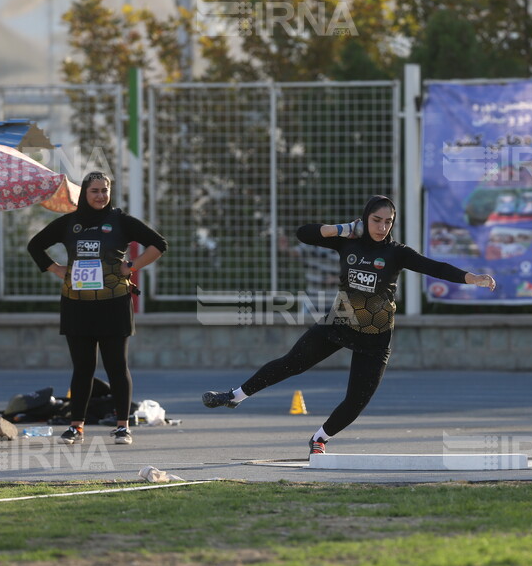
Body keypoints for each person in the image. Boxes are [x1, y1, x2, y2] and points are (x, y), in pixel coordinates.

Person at [201, 195, 496, 456]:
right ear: (365, 218)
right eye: (376, 220)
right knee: (292, 363)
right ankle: (234, 396)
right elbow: (304, 234)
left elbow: (436, 267)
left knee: (356, 400)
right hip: (339, 323)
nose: (382, 227)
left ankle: (320, 438)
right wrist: (343, 229)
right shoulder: (348, 242)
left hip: (375, 336)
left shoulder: (397, 252)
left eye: (388, 222)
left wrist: (472, 278)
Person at [27, 172, 167, 446]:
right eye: (95, 191)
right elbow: (35, 245)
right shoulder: (70, 222)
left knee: (117, 366)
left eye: (105, 190)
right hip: (77, 305)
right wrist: (56, 268)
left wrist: (132, 266)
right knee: (83, 367)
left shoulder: (120, 221)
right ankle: (76, 427)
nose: (101, 196)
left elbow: (158, 244)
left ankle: (122, 427)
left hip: (114, 303)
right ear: (84, 194)